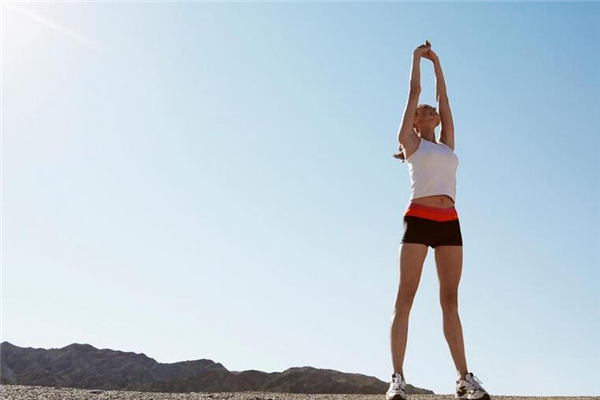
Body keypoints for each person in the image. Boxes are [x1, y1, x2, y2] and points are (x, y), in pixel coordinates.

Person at [385, 40, 491, 400]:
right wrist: (416, 58)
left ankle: (464, 378)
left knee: (450, 301)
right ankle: (397, 379)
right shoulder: (411, 143)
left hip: (449, 221)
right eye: (424, 109)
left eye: (432, 109)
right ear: (415, 120)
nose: (431, 109)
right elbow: (415, 90)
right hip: (418, 219)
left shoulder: (447, 145)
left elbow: (444, 99)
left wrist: (438, 63)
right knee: (406, 297)